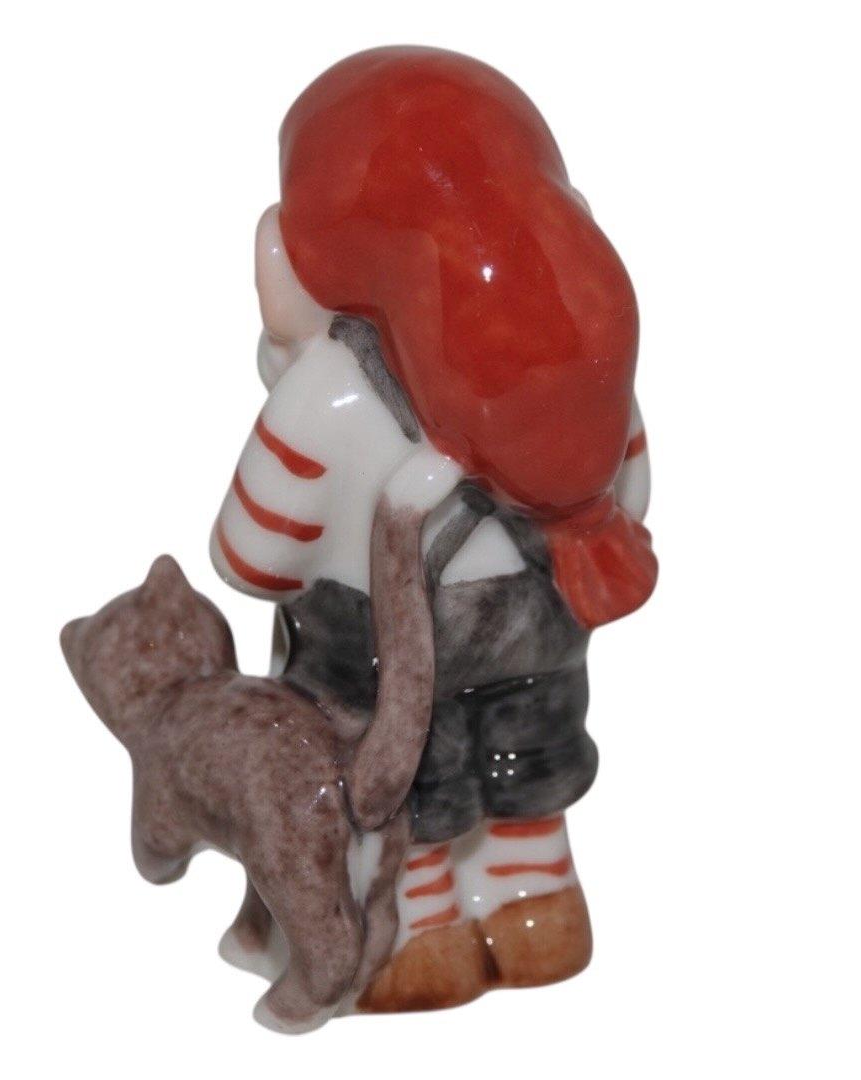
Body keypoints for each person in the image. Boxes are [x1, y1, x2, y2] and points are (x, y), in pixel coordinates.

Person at [211, 46, 657, 1011]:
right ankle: (537, 907)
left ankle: (418, 936)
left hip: (379, 666)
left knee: (407, 784)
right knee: (529, 762)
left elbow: (248, 558)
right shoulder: (592, 373)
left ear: (289, 256)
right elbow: (632, 495)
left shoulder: (328, 399)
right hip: (542, 634)